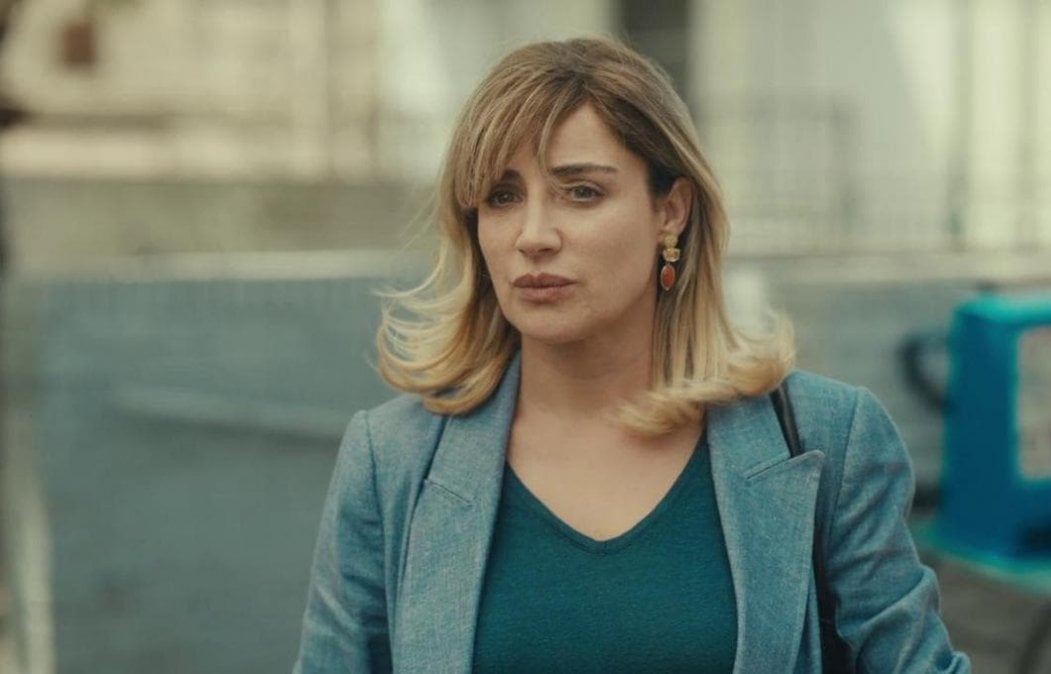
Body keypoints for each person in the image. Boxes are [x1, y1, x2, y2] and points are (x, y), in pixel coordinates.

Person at [294, 37, 970, 673]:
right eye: (502, 197)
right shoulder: (394, 460)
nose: (533, 235)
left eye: (581, 192)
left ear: (670, 211)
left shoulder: (825, 438)